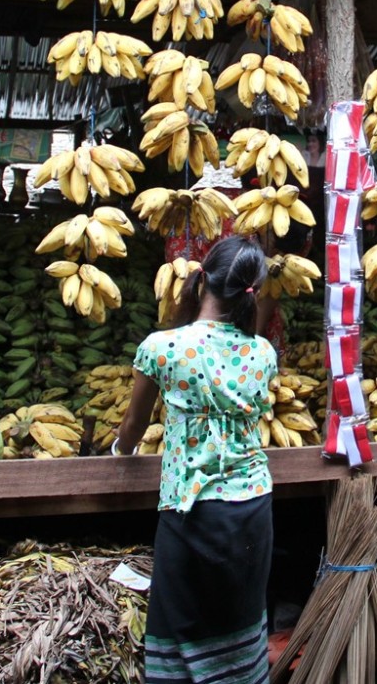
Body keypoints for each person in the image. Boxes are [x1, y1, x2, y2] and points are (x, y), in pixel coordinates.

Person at [113, 235, 278, 684]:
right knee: (240, 626)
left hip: (191, 509)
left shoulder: (162, 348)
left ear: (201, 279)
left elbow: (133, 425)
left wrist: (117, 452)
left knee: (179, 633)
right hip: (252, 509)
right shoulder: (263, 353)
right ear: (252, 292)